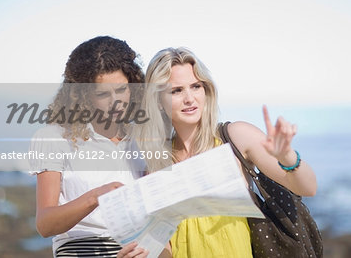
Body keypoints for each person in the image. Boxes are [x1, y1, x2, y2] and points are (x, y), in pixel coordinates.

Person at [128, 47, 318, 258]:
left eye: (196, 86)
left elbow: (308, 187)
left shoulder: (235, 136)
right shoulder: (157, 163)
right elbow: (165, 245)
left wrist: (287, 157)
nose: (190, 98)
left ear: (206, 90)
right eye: (176, 90)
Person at [29, 36, 149, 258]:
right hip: (80, 250)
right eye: (103, 94)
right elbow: (45, 225)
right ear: (83, 95)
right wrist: (96, 197)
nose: (116, 101)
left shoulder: (144, 139)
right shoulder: (54, 137)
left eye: (122, 89)